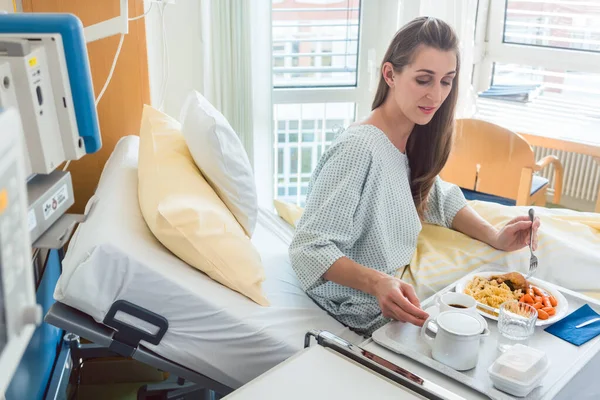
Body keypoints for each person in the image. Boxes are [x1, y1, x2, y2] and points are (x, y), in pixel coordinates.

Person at [289, 16, 541, 337]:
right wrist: (378, 282)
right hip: (356, 300)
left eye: (446, 81)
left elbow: (437, 196)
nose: (436, 96)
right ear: (390, 74)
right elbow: (309, 247)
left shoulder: (410, 136)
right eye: (424, 80)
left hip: (393, 282)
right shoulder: (358, 148)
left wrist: (495, 236)